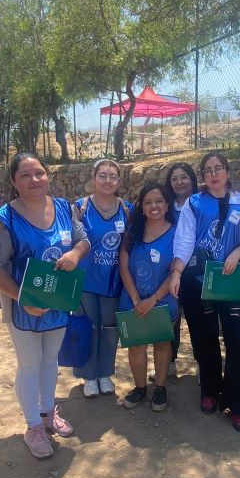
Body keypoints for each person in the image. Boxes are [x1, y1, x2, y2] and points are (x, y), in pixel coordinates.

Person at [0, 153, 90, 459]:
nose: (34, 180)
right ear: (14, 182)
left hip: (58, 302)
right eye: (25, 175)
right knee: (30, 364)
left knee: (50, 361)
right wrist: (25, 298)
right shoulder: (3, 218)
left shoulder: (62, 207)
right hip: (24, 307)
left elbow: (83, 240)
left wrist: (75, 254)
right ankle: (33, 426)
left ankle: (48, 413)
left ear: (48, 176)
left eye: (39, 174)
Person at [169, 152, 240, 432]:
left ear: (227, 172)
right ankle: (209, 391)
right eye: (207, 170)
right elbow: (184, 239)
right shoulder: (195, 203)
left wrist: (239, 251)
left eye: (217, 168)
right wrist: (176, 272)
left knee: (236, 343)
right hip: (197, 281)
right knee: (204, 338)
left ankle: (239, 404)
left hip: (232, 283)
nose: (213, 174)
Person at [73, 159, 133, 397]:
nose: (108, 180)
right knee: (87, 327)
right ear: (93, 178)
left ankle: (105, 373)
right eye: (103, 175)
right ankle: (88, 376)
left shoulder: (128, 209)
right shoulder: (80, 207)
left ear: (119, 181)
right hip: (86, 280)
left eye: (113, 176)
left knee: (110, 329)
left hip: (115, 281)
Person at [119, 182, 177, 411]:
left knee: (162, 344)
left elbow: (175, 271)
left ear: (166, 204)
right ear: (141, 207)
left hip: (162, 300)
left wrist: (151, 300)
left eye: (159, 201)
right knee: (136, 347)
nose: (154, 206)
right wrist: (136, 300)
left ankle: (160, 388)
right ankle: (140, 388)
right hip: (133, 300)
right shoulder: (132, 231)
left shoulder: (176, 233)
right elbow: (124, 267)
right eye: (148, 202)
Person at [163, 162, 199, 377]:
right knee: (170, 318)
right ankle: (169, 361)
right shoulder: (166, 206)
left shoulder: (202, 203)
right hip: (170, 270)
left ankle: (202, 362)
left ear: (192, 179)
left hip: (196, 272)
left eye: (184, 177)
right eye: (174, 178)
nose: (179, 182)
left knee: (197, 319)